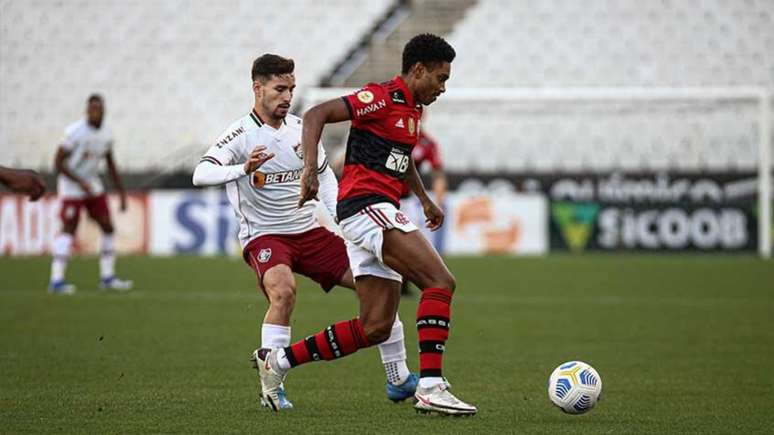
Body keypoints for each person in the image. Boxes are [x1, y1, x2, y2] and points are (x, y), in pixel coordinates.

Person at [256, 34, 477, 416]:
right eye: (440, 78)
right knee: (440, 282)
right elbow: (315, 114)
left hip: (372, 211)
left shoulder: (411, 111)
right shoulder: (380, 97)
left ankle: (277, 363)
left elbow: (400, 160)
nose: (442, 88)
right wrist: (309, 170)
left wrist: (424, 199)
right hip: (366, 207)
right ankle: (431, 385)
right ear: (418, 70)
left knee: (375, 326)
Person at [192, 54, 417, 410]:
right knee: (283, 292)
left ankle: (399, 377)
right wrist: (241, 169)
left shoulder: (301, 130)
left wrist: (344, 222)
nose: (287, 96)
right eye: (280, 88)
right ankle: (271, 386)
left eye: (291, 88)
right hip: (265, 235)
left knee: (379, 281)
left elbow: (325, 177)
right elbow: (200, 174)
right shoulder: (240, 134)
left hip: (309, 232)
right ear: (257, 88)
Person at [49, 94, 132, 295]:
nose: (95, 113)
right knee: (69, 227)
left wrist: (121, 193)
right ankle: (56, 280)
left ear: (103, 111)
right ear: (87, 111)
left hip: (92, 184)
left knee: (107, 225)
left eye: (98, 109)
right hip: (71, 186)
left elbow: (110, 164)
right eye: (92, 109)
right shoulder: (74, 132)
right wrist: (79, 182)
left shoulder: (107, 134)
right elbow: (58, 163)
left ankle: (107, 277)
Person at [399, 128, 447, 296]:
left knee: (409, 243)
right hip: (380, 196)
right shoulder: (389, 131)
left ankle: (403, 285)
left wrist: (439, 201)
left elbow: (438, 172)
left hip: (406, 200)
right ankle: (369, 283)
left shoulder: (426, 143)